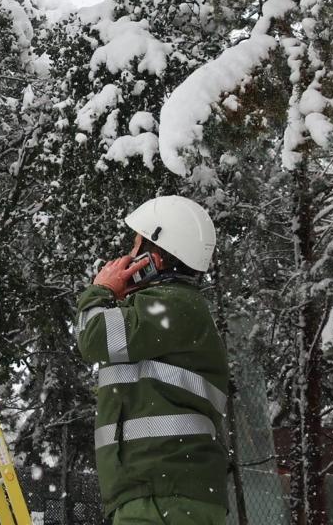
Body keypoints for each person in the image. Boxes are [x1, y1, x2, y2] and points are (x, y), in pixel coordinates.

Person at [76, 196, 231, 525]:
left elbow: (93, 338)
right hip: (165, 493)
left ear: (153, 259)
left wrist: (100, 290)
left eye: (135, 249)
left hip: (162, 496)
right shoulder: (167, 311)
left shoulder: (171, 306)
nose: (127, 258)